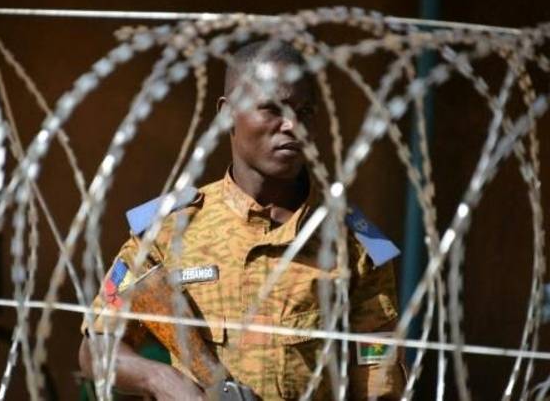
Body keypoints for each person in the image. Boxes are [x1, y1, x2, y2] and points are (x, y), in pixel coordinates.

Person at [78, 40, 406, 400]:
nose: (292, 125)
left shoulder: (354, 245)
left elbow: (378, 380)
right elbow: (96, 347)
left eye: (305, 111)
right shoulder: (169, 230)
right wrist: (162, 380)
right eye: (273, 108)